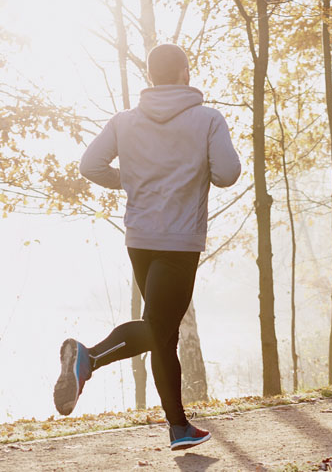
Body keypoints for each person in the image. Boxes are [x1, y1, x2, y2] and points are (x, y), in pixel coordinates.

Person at [53, 43, 241, 452]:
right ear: (185, 73)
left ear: (152, 77)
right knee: (159, 328)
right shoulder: (207, 119)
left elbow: (90, 166)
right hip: (179, 240)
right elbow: (227, 173)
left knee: (162, 332)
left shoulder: (125, 121)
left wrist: (133, 179)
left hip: (139, 238)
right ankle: (90, 357)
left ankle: (179, 427)